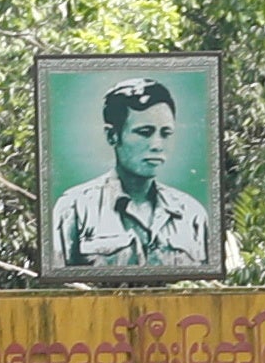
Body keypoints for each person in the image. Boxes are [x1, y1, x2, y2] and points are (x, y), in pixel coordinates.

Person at [50, 77, 211, 270]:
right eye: (144, 132)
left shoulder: (192, 214)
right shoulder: (75, 209)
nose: (157, 145)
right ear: (112, 136)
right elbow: (61, 288)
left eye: (166, 133)